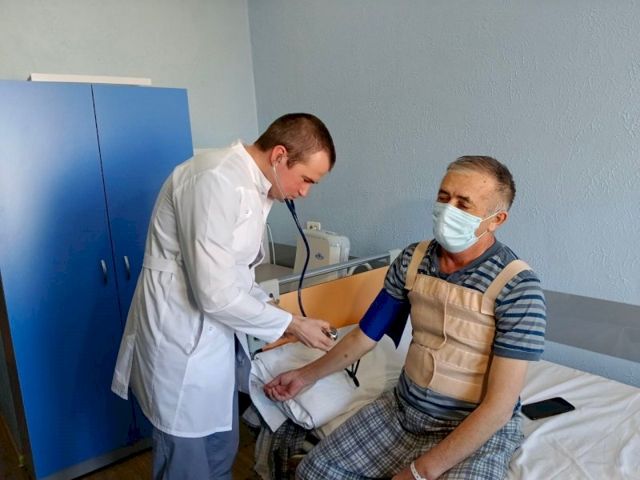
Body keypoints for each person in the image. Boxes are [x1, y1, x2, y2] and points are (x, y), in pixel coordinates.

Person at [265, 156, 547, 480]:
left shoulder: (518, 287)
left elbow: (498, 408)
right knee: (315, 471)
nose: (448, 210)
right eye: (443, 197)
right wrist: (305, 376)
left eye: (463, 204)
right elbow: (364, 336)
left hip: (473, 428)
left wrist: (418, 472)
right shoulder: (412, 260)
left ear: (496, 220)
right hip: (404, 412)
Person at [111, 113, 337, 480]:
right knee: (186, 464)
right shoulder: (213, 179)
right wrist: (292, 325)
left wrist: (275, 312)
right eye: (306, 179)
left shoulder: (252, 188)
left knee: (220, 451)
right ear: (279, 156)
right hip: (179, 344)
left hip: (213, 346)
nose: (304, 192)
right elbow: (214, 293)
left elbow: (237, 274)